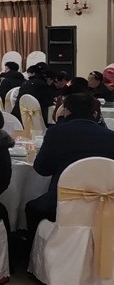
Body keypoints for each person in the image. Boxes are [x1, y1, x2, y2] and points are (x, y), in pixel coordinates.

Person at [24, 94, 114, 237]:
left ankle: (38, 247)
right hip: (104, 204)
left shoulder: (56, 133)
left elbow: (42, 169)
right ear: (95, 113)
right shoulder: (110, 136)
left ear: (66, 111)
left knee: (32, 208)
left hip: (61, 203)